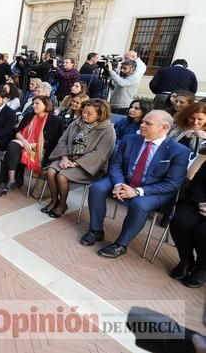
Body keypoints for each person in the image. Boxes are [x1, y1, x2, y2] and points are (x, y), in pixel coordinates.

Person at [81, 110, 189, 258]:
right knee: (97, 188)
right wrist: (119, 184)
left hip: (154, 190)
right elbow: (116, 165)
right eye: (142, 121)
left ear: (164, 128)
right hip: (125, 180)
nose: (142, 125)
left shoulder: (179, 151)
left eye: (148, 123)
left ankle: (121, 244)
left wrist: (137, 191)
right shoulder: (130, 139)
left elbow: (172, 184)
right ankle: (96, 230)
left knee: (139, 204)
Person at [43, 99, 116, 219]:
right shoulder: (77, 122)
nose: (84, 115)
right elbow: (63, 140)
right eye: (84, 111)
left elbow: (100, 155)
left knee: (62, 176)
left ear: (100, 115)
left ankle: (62, 205)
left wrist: (76, 163)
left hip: (89, 165)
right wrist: (64, 158)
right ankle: (54, 200)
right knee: (50, 171)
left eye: (89, 113)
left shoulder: (108, 130)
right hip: (69, 157)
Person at [0, 96, 64, 197]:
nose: (34, 105)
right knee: (12, 147)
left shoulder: (54, 120)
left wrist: (29, 145)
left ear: (46, 105)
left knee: (10, 152)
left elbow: (51, 142)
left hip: (39, 151)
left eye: (37, 103)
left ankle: (6, 181)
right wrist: (24, 142)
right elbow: (18, 132)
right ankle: (11, 179)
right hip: (24, 145)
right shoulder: (29, 116)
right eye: (33, 103)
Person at [170, 161, 206, 288]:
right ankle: (186, 260)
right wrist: (201, 202)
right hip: (200, 201)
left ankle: (202, 268)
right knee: (180, 222)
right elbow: (197, 181)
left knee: (203, 232)